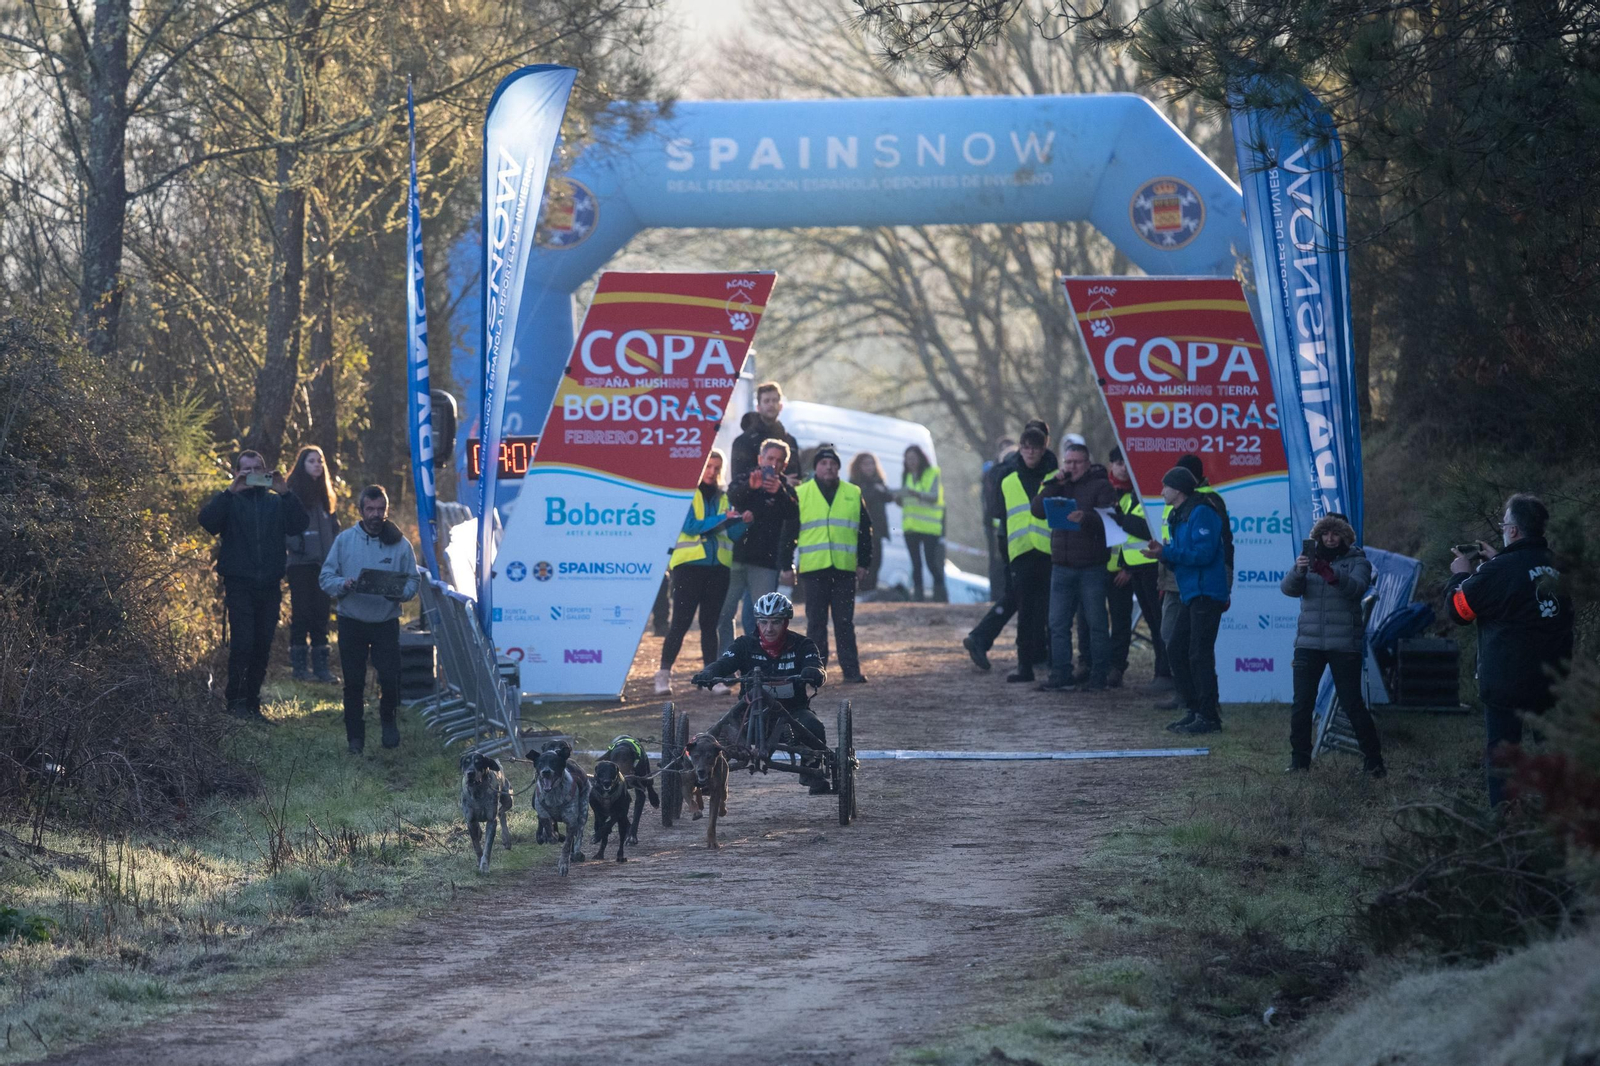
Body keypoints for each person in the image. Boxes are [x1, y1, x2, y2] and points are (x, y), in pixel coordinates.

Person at [1446, 493, 1574, 808]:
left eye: (1505, 523)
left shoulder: (1500, 570)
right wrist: (1497, 563)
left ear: (1514, 531)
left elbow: (1459, 612)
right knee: (1557, 755)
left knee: (1503, 760)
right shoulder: (1558, 565)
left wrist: (1461, 575)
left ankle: (1504, 830)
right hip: (1553, 679)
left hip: (1508, 683)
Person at [197, 450, 308, 720]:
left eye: (257, 468)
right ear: (236, 472)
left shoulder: (275, 503)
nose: (251, 474)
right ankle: (235, 703)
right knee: (242, 643)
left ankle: (253, 704)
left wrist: (285, 492)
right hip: (239, 584)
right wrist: (229, 491)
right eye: (245, 469)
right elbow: (207, 521)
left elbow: (299, 525)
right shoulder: (230, 502)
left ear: (266, 470)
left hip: (270, 585)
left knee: (262, 645)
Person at [693, 592, 831, 793]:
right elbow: (725, 663)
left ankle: (811, 770)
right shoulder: (744, 645)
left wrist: (814, 672)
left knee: (813, 725)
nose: (769, 628)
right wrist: (708, 672)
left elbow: (817, 667)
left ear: (785, 622)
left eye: (775, 622)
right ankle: (708, 774)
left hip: (792, 713)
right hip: (748, 712)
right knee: (720, 732)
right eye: (763, 621)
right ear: (757, 621)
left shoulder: (803, 645)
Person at [319, 485, 419, 753]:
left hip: (385, 621)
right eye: (370, 509)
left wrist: (399, 593)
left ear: (387, 511)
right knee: (353, 681)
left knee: (389, 677)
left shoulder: (400, 543)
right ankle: (355, 738)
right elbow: (325, 578)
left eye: (380, 510)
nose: (375, 515)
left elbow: (413, 579)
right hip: (351, 619)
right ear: (361, 510)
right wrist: (344, 584)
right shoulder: (344, 541)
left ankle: (388, 720)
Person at [1282, 514, 1384, 775]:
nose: (1329, 539)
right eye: (1325, 533)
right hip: (1308, 642)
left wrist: (1330, 573)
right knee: (1301, 703)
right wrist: (1299, 570)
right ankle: (1299, 762)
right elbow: (1288, 589)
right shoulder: (1309, 560)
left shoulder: (1359, 561)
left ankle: (1374, 762)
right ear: (1318, 535)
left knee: (1352, 703)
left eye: (1335, 533)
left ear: (1345, 536)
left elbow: (1357, 589)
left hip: (1343, 644)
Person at [655, 449, 749, 695]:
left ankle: (713, 678)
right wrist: (724, 519)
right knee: (680, 623)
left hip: (718, 568)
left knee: (710, 625)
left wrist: (744, 522)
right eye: (708, 466)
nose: (712, 472)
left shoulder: (725, 497)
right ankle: (663, 675)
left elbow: (733, 534)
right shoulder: (687, 494)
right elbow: (692, 526)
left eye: (717, 468)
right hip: (688, 567)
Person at [964, 422, 1054, 673]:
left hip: (1011, 541)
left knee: (1022, 597)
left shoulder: (1007, 466)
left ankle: (989, 640)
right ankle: (985, 638)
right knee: (1022, 598)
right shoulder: (1034, 467)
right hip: (1022, 543)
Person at [1146, 466, 1227, 734]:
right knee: (1177, 648)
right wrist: (1165, 553)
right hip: (1191, 593)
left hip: (1206, 593)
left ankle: (1209, 717)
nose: (1161, 492)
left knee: (1198, 654)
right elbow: (1185, 553)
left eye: (1165, 487)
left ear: (1178, 489)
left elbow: (1203, 554)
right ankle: (1194, 709)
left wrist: (1167, 553)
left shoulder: (1202, 512)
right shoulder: (1179, 514)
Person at [1033, 441, 1116, 692]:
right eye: (1067, 462)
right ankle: (1060, 674)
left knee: (1096, 623)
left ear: (1087, 464)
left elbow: (1111, 522)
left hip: (1091, 567)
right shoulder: (1058, 485)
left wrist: (1087, 518)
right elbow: (1037, 510)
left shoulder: (1101, 486)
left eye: (1077, 462)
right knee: (1057, 623)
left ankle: (1099, 675)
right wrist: (1052, 485)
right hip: (1061, 565)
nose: (1072, 467)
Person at [719, 437, 800, 674]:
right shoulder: (746, 479)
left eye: (778, 461)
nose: (773, 464)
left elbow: (793, 514)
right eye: (769, 458)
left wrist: (781, 492)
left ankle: (759, 667)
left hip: (765, 563)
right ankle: (726, 665)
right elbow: (732, 495)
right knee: (724, 614)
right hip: (734, 558)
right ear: (759, 459)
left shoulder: (786, 488)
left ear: (784, 465)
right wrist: (750, 489)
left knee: (766, 619)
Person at [796, 444, 873, 683]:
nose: (828, 468)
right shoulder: (801, 492)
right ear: (815, 467)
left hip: (844, 569)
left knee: (844, 623)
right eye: (823, 464)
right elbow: (789, 532)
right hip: (814, 569)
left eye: (832, 464)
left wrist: (864, 563)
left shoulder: (852, 492)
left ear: (838, 468)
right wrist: (786, 564)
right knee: (816, 623)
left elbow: (864, 531)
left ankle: (851, 671)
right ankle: (816, 671)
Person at [1105, 447, 1168, 690]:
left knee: (1158, 623)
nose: (1124, 468)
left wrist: (1120, 518)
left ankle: (1164, 674)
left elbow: (1147, 529)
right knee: (1146, 623)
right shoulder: (1123, 495)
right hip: (1129, 566)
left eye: (1127, 463)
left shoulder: (1144, 494)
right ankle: (1157, 673)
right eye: (1119, 463)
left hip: (1148, 567)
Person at [284, 445, 340, 684]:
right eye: (311, 461)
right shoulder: (293, 493)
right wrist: (299, 545)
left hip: (324, 565)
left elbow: (334, 530)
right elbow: (285, 526)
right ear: (301, 465)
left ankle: (321, 668)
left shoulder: (326, 498)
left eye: (320, 461)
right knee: (302, 614)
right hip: (300, 565)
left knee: (321, 614)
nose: (317, 464)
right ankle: (298, 667)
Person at [897, 444, 948, 602]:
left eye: (913, 458)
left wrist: (915, 493)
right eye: (907, 459)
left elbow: (934, 496)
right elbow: (904, 502)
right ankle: (918, 597)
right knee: (916, 564)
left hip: (929, 528)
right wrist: (898, 498)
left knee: (931, 563)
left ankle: (940, 595)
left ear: (920, 458)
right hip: (910, 526)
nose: (910, 462)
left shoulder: (932, 473)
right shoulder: (905, 475)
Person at [849, 452, 894, 594]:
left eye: (872, 464)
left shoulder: (878, 482)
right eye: (865, 464)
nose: (869, 467)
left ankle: (869, 594)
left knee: (876, 563)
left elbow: (889, 496)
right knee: (862, 565)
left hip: (877, 531)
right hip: (860, 532)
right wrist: (875, 490)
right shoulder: (855, 484)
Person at [981, 437, 1018, 602]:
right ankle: (996, 596)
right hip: (996, 525)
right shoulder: (992, 473)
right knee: (996, 563)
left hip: (1016, 524)